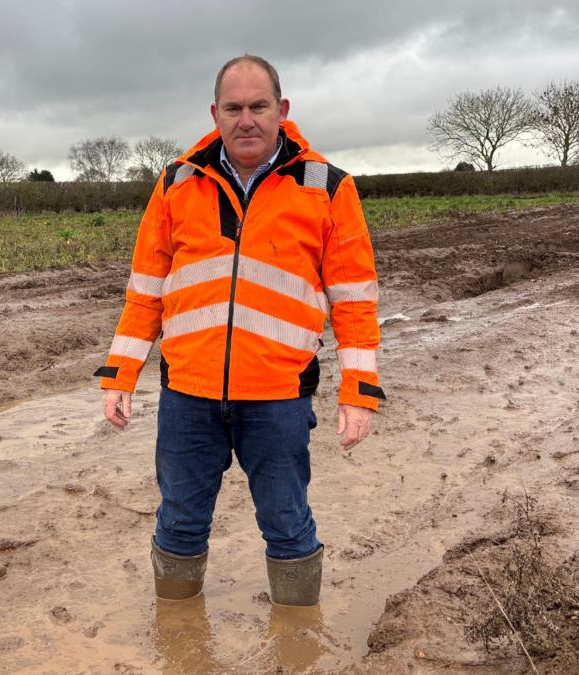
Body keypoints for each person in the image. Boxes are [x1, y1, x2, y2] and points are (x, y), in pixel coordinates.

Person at [96, 54, 384, 607]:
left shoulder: (327, 186)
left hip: (278, 399)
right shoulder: (178, 181)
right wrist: (120, 375)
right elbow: (145, 290)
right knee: (178, 524)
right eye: (233, 108)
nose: (245, 119)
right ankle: (177, 637)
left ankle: (298, 641)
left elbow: (353, 303)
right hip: (188, 396)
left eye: (258, 106)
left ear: (282, 110)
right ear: (215, 112)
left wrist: (359, 394)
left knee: (287, 524)